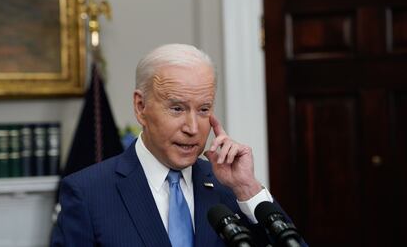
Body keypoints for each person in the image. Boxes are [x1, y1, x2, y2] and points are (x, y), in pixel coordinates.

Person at [51, 44, 306, 246]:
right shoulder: (88, 192)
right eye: (177, 108)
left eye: (204, 109)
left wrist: (247, 188)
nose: (193, 128)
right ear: (141, 107)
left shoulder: (229, 187)